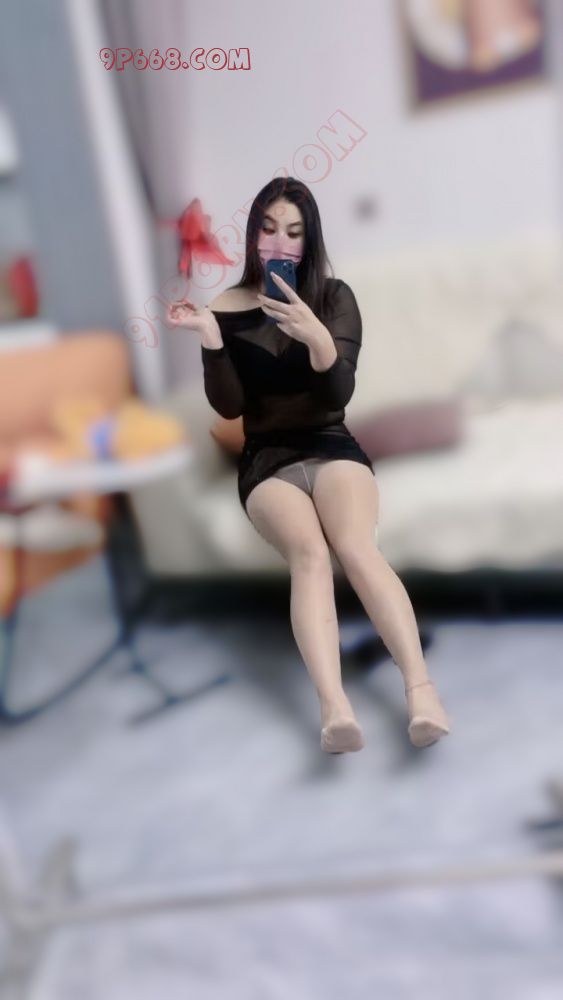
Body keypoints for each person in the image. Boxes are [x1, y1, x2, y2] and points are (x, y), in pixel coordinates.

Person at [167, 177, 451, 754]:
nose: (279, 242)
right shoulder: (224, 307)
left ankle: (422, 694)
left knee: (355, 547)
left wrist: (316, 336)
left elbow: (337, 393)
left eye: (293, 232)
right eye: (269, 229)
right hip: (266, 461)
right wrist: (211, 339)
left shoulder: (334, 298)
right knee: (310, 555)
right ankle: (335, 709)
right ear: (253, 234)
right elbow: (229, 407)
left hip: (330, 444)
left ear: (309, 239)